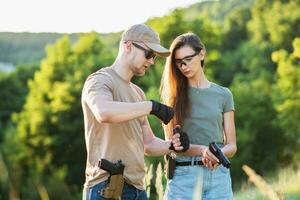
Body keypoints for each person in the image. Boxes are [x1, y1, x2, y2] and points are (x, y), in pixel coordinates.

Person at [81, 24, 190, 200]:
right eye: (149, 54)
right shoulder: (100, 80)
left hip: (138, 190)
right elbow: (104, 112)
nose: (152, 61)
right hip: (107, 188)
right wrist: (151, 106)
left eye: (154, 56)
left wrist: (171, 145)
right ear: (128, 46)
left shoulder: (137, 92)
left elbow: (148, 144)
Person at [160, 32, 237, 200]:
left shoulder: (224, 94)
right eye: (179, 62)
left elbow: (231, 146)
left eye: (188, 59)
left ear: (201, 53)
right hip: (183, 178)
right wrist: (203, 151)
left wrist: (217, 155)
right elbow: (171, 144)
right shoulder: (173, 97)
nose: (184, 66)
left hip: (218, 177)